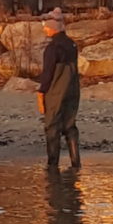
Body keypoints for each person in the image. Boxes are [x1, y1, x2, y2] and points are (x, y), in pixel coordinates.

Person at [36, 12, 81, 169]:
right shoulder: (72, 44)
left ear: (52, 28)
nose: (45, 30)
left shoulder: (52, 48)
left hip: (56, 91)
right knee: (70, 124)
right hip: (73, 89)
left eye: (46, 27)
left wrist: (41, 93)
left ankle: (53, 165)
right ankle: (76, 163)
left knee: (52, 126)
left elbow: (47, 73)